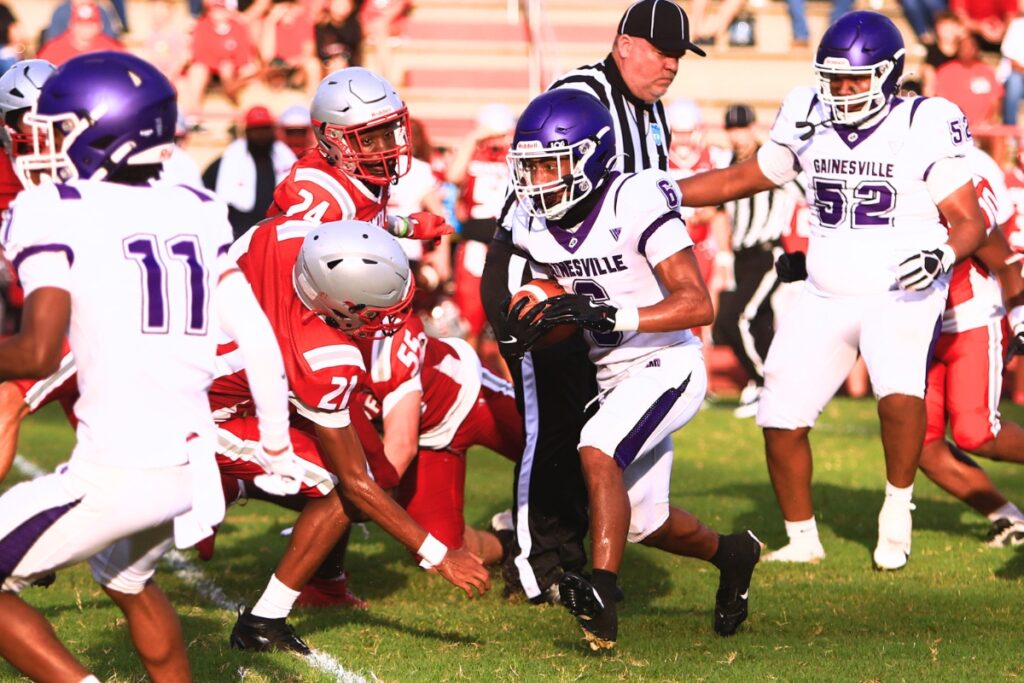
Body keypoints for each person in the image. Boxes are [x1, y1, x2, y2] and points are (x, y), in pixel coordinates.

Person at [0, 51, 298, 683]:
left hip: (117, 469)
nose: (42, 144)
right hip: (189, 468)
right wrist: (274, 440)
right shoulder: (192, 204)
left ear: (105, 132)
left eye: (60, 128)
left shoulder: (54, 209)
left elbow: (36, 352)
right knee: (129, 579)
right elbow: (257, 336)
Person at [677, 11, 988, 570]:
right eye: (834, 78)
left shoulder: (924, 120)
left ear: (889, 75)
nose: (842, 91)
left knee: (896, 391)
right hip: (824, 292)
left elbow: (969, 221)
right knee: (779, 414)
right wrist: (665, 192)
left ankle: (897, 507)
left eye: (855, 79)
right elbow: (741, 178)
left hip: (901, 286)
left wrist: (940, 253)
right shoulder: (807, 109)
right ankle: (803, 537)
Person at [501, 89, 761, 650]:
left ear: (591, 158)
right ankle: (732, 553)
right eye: (532, 165)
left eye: (552, 163)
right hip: (612, 374)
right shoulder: (535, 223)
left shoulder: (634, 199)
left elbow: (698, 303)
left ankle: (600, 598)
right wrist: (537, 310)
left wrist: (609, 312)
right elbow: (556, 292)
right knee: (644, 521)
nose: (539, 179)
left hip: (668, 360)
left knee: (596, 446)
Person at [481, 0, 708, 606]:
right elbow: (541, 199)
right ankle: (538, 566)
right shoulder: (585, 95)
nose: (671, 66)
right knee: (552, 422)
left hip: (591, 279)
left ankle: (563, 554)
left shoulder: (648, 108)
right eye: (662, 51)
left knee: (588, 422)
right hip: (539, 266)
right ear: (626, 43)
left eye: (679, 56)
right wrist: (540, 287)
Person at [217, 216, 489, 653]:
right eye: (376, 310)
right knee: (341, 487)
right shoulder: (324, 355)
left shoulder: (283, 236)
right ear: (338, 302)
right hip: (200, 416)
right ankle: (263, 622)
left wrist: (405, 226)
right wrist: (439, 555)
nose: (387, 320)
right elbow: (359, 484)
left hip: (191, 380)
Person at [917, 144, 1024, 546]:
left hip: (969, 318)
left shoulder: (952, 182)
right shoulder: (882, 187)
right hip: (916, 329)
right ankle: (1007, 518)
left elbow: (1005, 261)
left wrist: (1019, 318)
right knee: (920, 445)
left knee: (977, 432)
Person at [268, 66, 451, 245]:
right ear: (331, 138)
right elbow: (288, 261)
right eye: (367, 141)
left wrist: (407, 227)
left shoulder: (360, 175)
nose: (383, 150)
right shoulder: (319, 192)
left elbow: (358, 223)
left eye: (388, 135)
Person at [712, 104, 805, 419]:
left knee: (733, 318)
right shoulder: (727, 162)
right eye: (732, 129)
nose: (738, 136)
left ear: (754, 127)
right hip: (741, 256)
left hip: (767, 253)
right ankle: (768, 384)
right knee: (761, 325)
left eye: (743, 128)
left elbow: (807, 191)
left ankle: (766, 383)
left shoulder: (772, 162)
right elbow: (721, 213)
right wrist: (724, 256)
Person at [202, 105, 297, 238]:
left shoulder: (286, 160)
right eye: (255, 130)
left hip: (276, 233)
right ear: (246, 132)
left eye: (265, 129)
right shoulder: (225, 163)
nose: (261, 134)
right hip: (238, 235)